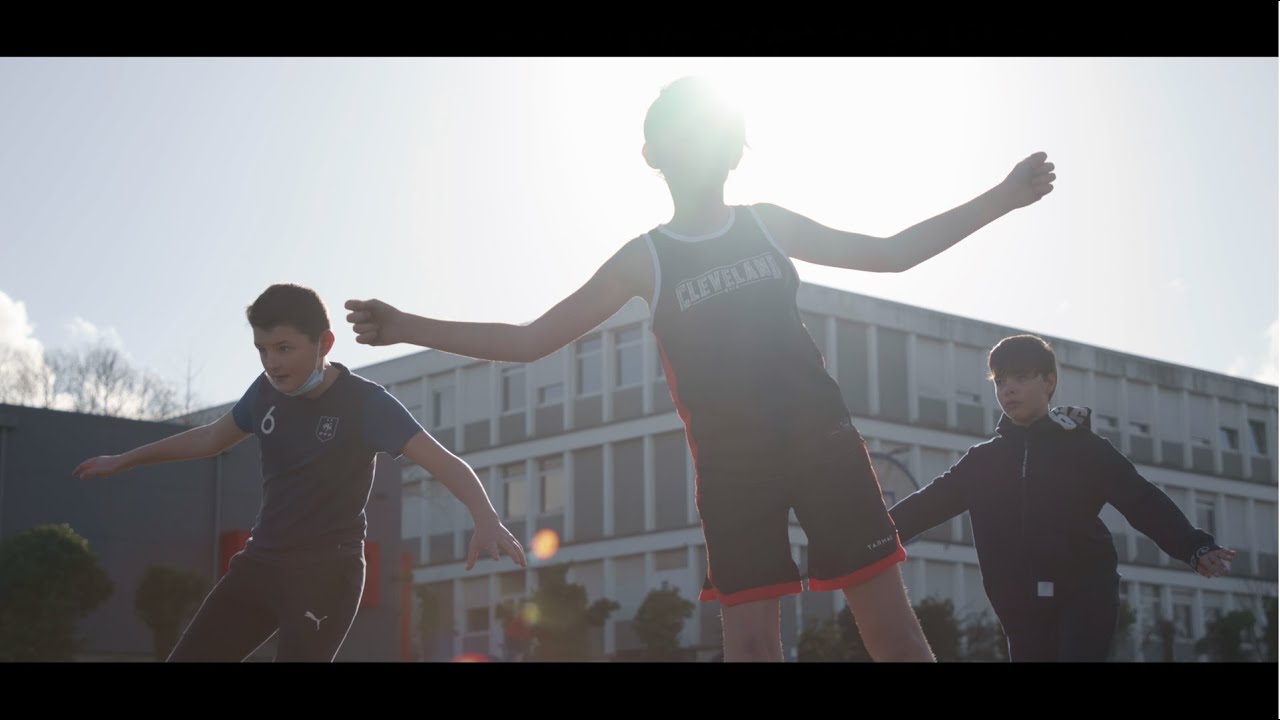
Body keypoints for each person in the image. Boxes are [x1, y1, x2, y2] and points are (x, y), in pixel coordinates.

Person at [344, 77, 1056, 661]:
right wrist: (406, 324)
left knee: (892, 632)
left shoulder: (765, 223)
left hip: (825, 448)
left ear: (733, 150)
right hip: (732, 469)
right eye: (681, 134)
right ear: (653, 153)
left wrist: (1003, 196)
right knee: (748, 643)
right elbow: (532, 339)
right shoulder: (644, 258)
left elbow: (893, 251)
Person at [73, 283, 526, 661]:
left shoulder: (366, 404)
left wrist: (485, 518)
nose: (272, 362)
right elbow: (208, 438)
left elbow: (445, 462)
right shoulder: (265, 394)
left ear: (324, 344)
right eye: (262, 350)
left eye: (284, 348)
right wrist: (124, 460)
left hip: (327, 574)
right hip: (261, 565)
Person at [889, 334, 1235, 661]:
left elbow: (1141, 499)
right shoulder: (983, 461)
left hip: (1085, 594)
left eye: (1021, 378)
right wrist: (871, 538)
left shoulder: (1085, 449)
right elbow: (927, 503)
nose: (1008, 389)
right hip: (1019, 602)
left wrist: (1194, 546)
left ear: (1048, 382)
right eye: (1000, 381)